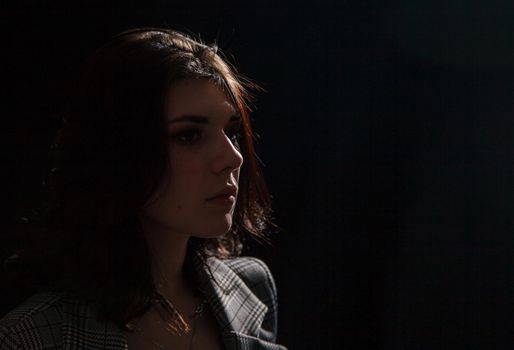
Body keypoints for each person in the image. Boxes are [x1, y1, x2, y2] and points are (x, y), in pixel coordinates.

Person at [0, 28, 286, 350]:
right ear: (118, 153)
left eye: (231, 132)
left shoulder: (250, 289)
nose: (232, 158)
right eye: (189, 135)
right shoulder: (33, 336)